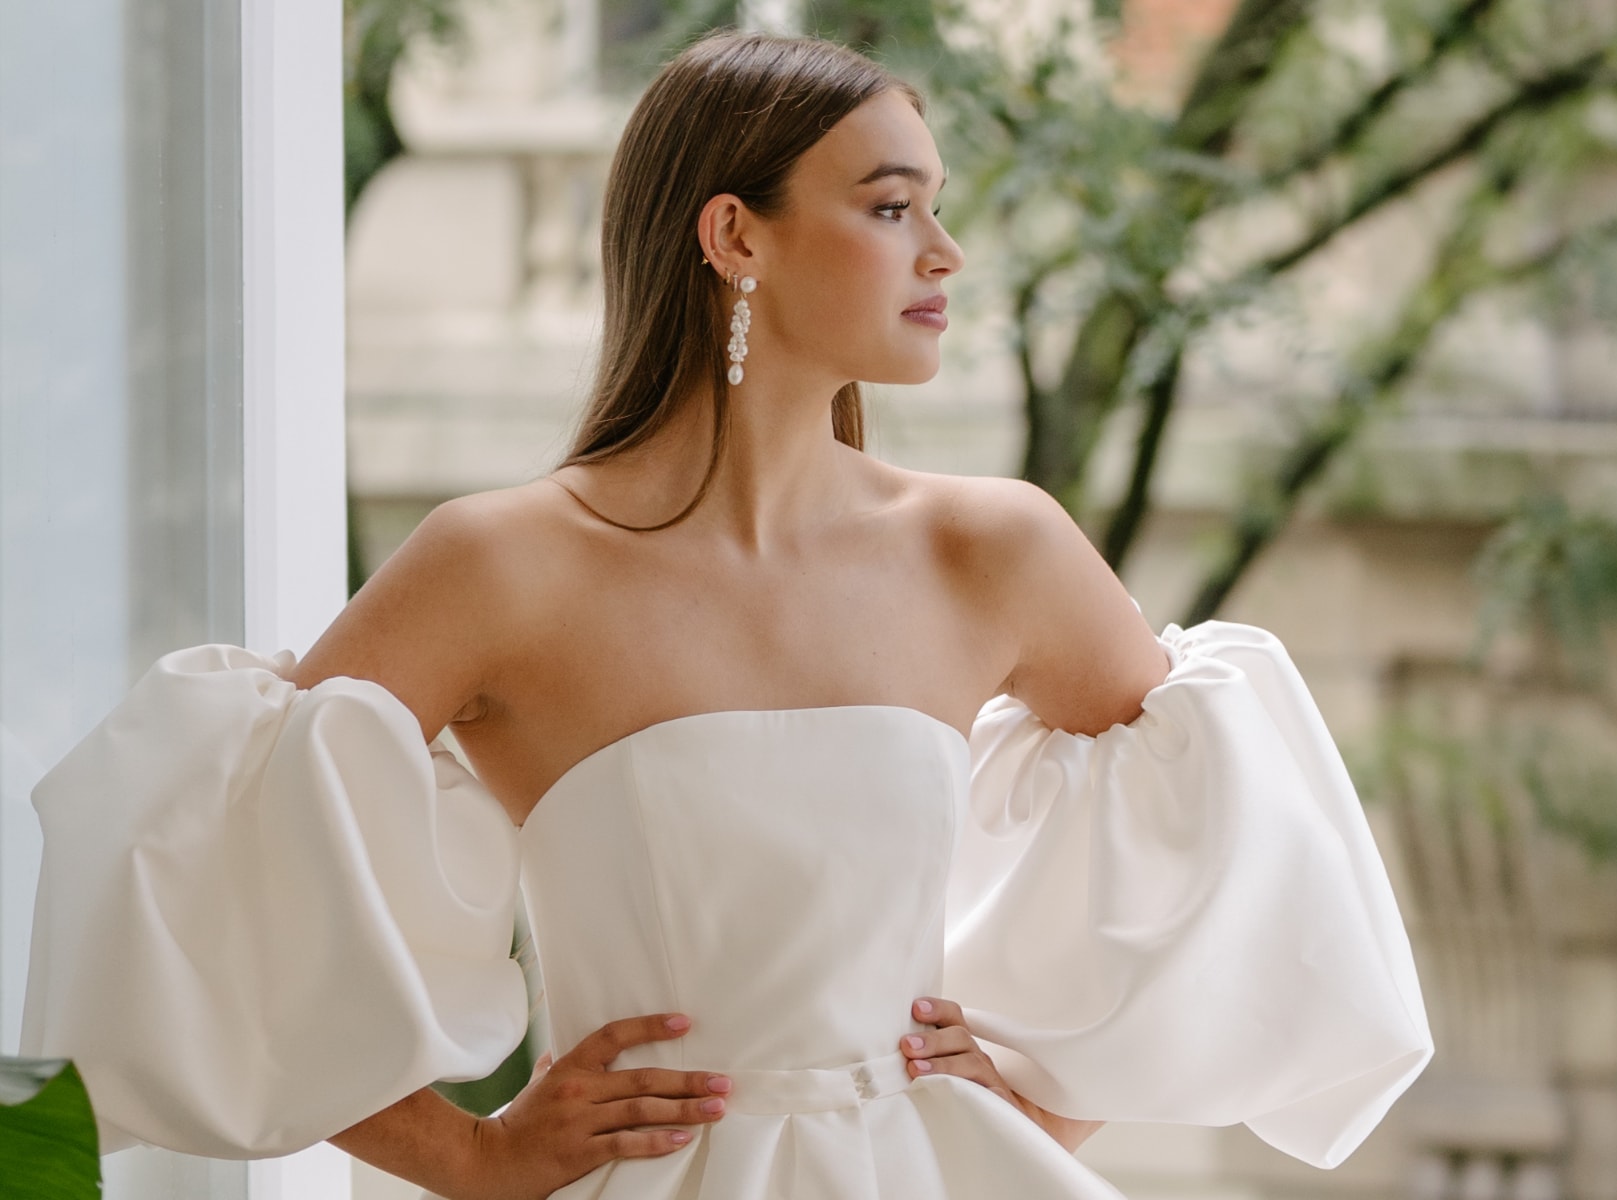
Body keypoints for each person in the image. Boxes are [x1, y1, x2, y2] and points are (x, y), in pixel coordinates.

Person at [21, 30, 1433, 1200]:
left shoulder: (991, 547)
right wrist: (469, 1157)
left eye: (939, 207)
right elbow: (219, 887)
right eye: (891, 207)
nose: (944, 252)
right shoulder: (501, 565)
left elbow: (1245, 851)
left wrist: (1045, 1106)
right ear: (734, 234)